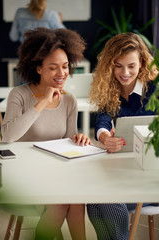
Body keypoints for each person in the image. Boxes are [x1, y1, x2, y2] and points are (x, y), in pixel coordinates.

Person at [1, 27, 91, 240]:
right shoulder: (20, 95)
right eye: (53, 68)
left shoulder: (69, 99)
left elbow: (69, 139)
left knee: (77, 200)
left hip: (55, 171)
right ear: (38, 68)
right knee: (60, 202)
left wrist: (78, 138)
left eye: (65, 66)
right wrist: (41, 103)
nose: (61, 74)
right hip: (23, 175)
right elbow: (8, 136)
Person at [87, 32, 158, 240]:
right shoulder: (109, 88)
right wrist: (104, 137)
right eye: (118, 65)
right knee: (92, 199)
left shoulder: (154, 90)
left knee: (108, 199)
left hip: (151, 175)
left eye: (131, 66)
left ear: (142, 63)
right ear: (110, 65)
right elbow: (102, 120)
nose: (124, 72)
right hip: (125, 172)